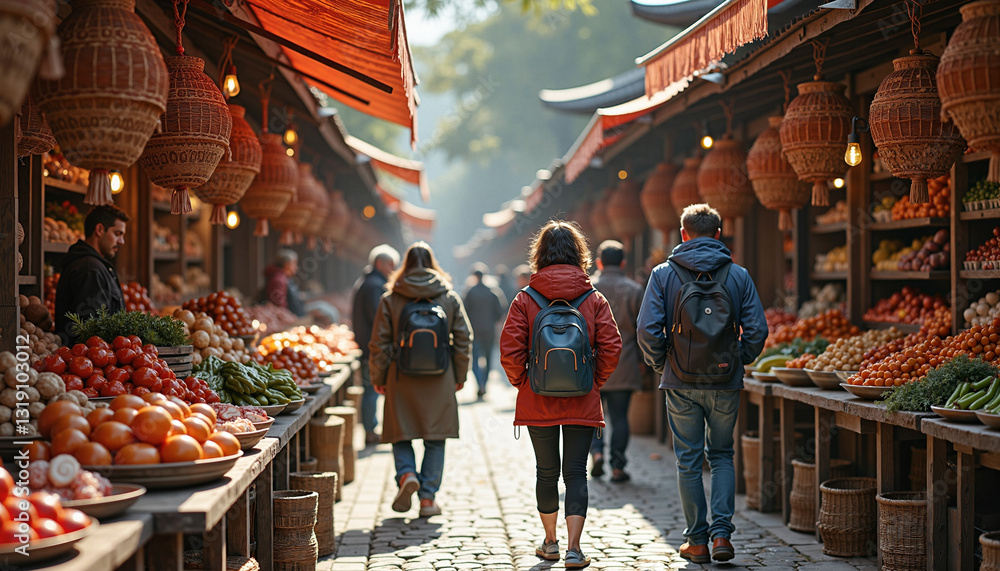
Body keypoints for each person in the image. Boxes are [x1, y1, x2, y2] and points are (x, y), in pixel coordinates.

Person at [636, 204, 767, 564]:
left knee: (689, 461)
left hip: (680, 380)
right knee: (722, 454)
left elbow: (646, 329)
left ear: (683, 234)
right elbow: (757, 330)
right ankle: (722, 535)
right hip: (725, 379)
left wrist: (663, 363)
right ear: (719, 234)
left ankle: (697, 542)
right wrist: (739, 359)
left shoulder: (664, 274)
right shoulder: (738, 275)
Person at [500, 220, 622, 569]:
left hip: (537, 399)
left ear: (539, 256)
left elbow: (509, 351)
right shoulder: (593, 298)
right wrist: (592, 380)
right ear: (579, 254)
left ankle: (550, 542)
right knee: (575, 473)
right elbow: (612, 348)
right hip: (582, 399)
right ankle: (574, 548)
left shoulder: (525, 298)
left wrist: (524, 383)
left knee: (546, 472)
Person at [368, 242, 472, 518]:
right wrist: (459, 375)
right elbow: (463, 338)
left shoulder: (391, 298)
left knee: (400, 432)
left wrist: (378, 377)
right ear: (432, 264)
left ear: (405, 264)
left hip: (401, 377)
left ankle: (406, 475)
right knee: (436, 437)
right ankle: (427, 499)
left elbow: (379, 343)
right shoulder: (448, 296)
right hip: (440, 377)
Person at [589, 240, 645, 484]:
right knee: (620, 416)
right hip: (624, 362)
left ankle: (597, 452)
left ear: (599, 262)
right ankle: (618, 466)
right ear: (623, 263)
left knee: (592, 416)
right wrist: (645, 362)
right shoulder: (634, 290)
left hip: (592, 364)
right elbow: (644, 329)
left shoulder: (588, 288)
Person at [55, 205, 130, 343]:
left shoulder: (93, 265)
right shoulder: (90, 270)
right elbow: (92, 334)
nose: (121, 242)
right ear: (100, 230)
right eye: (117, 234)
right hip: (88, 361)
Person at [351, 244, 400, 445]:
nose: (393, 270)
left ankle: (371, 428)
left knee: (371, 387)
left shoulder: (368, 281)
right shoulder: (374, 285)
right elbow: (379, 316)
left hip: (367, 344)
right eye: (391, 265)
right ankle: (371, 430)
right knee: (371, 388)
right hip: (373, 346)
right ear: (380, 263)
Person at [462, 262, 507, 400]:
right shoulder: (493, 291)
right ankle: (485, 385)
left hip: (474, 330)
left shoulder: (469, 292)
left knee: (475, 360)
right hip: (489, 330)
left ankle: (480, 383)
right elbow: (500, 312)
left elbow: (464, 311)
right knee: (488, 359)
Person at [264, 250, 306, 317]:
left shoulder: (284, 278)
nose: (296, 267)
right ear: (287, 265)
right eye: (294, 264)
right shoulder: (278, 280)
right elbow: (279, 306)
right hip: (291, 317)